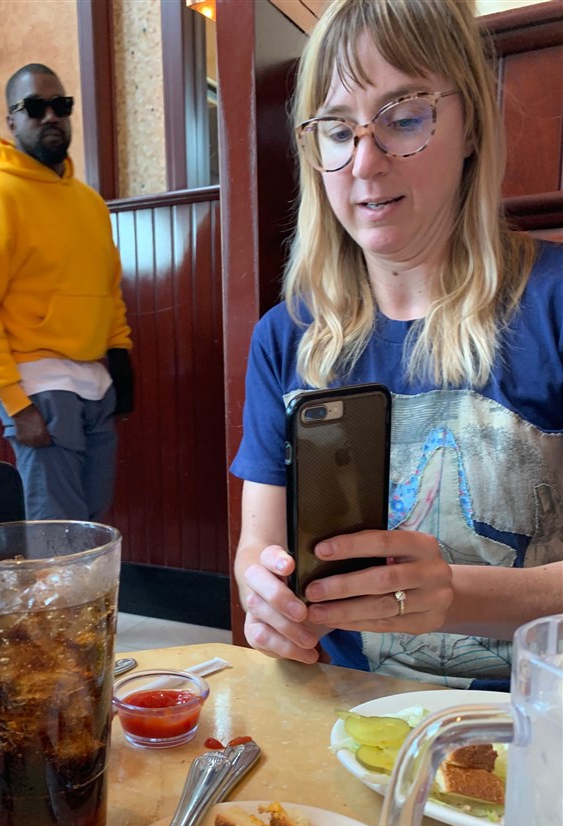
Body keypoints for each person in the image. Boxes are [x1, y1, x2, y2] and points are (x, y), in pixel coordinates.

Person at [231, 0, 563, 690]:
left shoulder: (553, 303)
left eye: (404, 117)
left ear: (470, 123)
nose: (365, 161)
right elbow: (256, 549)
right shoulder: (284, 336)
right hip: (347, 714)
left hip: (528, 727)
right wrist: (266, 601)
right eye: (337, 130)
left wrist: (455, 597)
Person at [0, 63, 133, 522]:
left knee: (90, 524)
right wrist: (14, 402)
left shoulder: (89, 203)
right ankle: (57, 599)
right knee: (55, 533)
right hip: (38, 388)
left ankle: (87, 599)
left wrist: (120, 357)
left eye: (60, 105)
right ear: (11, 122)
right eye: (34, 107)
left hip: (94, 381)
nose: (50, 116)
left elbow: (108, 290)